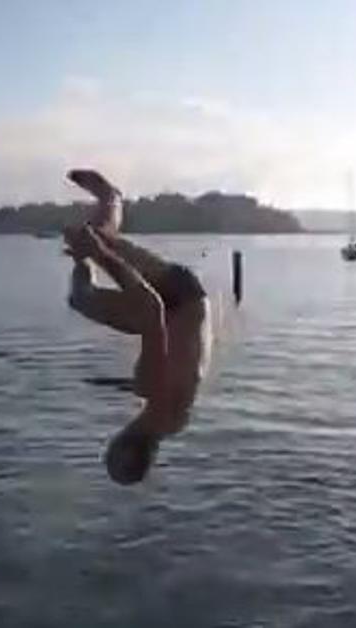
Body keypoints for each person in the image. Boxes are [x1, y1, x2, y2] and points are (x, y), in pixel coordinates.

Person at [64, 169, 211, 485]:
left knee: (83, 294)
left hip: (186, 308)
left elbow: (176, 368)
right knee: (95, 254)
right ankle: (110, 200)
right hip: (175, 298)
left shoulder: (171, 424)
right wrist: (98, 254)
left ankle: (89, 242)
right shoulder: (151, 389)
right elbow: (151, 308)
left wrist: (122, 384)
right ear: (117, 442)